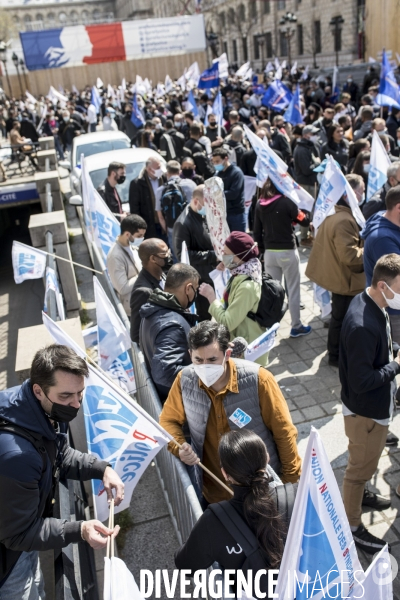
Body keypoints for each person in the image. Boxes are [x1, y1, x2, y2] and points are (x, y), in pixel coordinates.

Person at [0, 345, 122, 597]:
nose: (76, 404)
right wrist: (80, 529)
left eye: (80, 393)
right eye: (66, 396)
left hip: (19, 531)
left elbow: (59, 454)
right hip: (8, 559)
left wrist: (102, 469)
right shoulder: (17, 457)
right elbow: (19, 534)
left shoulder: (31, 408)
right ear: (39, 390)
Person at [159, 321, 301, 504]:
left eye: (212, 360)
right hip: (215, 494)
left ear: (227, 354)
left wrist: (289, 485)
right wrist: (180, 447)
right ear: (189, 355)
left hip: (262, 492)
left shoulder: (260, 380)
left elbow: (284, 433)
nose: (204, 367)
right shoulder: (184, 380)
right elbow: (167, 421)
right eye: (197, 360)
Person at [175, 430, 292, 590]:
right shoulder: (296, 495)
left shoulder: (213, 522)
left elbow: (185, 565)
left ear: (225, 474)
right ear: (267, 458)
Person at [339, 254, 400, 554]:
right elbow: (363, 381)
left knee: (364, 466)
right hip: (365, 415)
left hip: (372, 409)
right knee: (358, 471)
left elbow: (379, 350)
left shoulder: (375, 303)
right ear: (382, 285)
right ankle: (352, 527)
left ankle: (360, 495)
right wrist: (397, 365)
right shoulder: (362, 324)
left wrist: (393, 351)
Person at [306, 174, 366, 367]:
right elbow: (350, 258)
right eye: (361, 191)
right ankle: (336, 356)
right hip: (345, 280)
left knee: (339, 318)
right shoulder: (345, 220)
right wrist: (370, 247)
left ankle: (335, 354)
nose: (363, 194)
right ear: (350, 194)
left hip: (340, 277)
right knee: (341, 320)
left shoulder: (335, 214)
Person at [253, 179, 312, 339]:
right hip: (288, 251)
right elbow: (304, 220)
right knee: (293, 290)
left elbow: (256, 232)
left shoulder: (260, 204)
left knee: (273, 293)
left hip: (270, 254)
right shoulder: (287, 202)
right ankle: (296, 326)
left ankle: (271, 329)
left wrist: (262, 254)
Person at [199, 232, 268, 366]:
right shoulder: (244, 269)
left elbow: (227, 323)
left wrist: (211, 298)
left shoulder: (247, 287)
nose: (222, 257)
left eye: (226, 253)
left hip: (248, 354)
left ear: (238, 257)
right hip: (238, 346)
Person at [140, 264, 199, 402]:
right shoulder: (173, 325)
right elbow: (164, 373)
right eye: (195, 289)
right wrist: (206, 368)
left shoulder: (153, 309)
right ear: (188, 288)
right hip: (180, 404)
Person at [173, 185, 218, 321]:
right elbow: (183, 256)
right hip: (199, 278)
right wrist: (213, 255)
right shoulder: (183, 223)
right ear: (196, 201)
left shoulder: (200, 214)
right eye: (206, 204)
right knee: (205, 316)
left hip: (211, 273)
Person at [130, 239, 171, 344]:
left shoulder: (162, 274)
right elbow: (136, 334)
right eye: (164, 253)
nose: (168, 255)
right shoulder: (143, 292)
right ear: (153, 258)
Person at [106, 214, 147, 316]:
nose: (142, 238)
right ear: (127, 234)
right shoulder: (115, 256)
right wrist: (145, 272)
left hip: (142, 302)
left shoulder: (132, 246)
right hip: (132, 310)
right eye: (139, 236)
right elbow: (122, 288)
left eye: (143, 235)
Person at [155, 160, 196, 256]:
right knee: (192, 255)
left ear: (167, 173)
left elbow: (160, 216)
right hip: (190, 225)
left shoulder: (160, 190)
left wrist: (167, 229)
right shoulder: (190, 184)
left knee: (177, 255)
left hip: (172, 228)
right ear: (180, 171)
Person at [129, 157, 167, 239]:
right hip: (149, 228)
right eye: (158, 168)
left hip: (164, 225)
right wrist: (139, 228)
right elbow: (135, 209)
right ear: (149, 169)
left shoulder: (164, 178)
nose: (160, 170)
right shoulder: (137, 183)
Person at [212, 147, 246, 232]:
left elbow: (233, 194)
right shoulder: (217, 174)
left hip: (235, 214)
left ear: (225, 159)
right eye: (214, 162)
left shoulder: (236, 173)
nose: (215, 164)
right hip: (222, 214)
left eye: (217, 161)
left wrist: (217, 194)